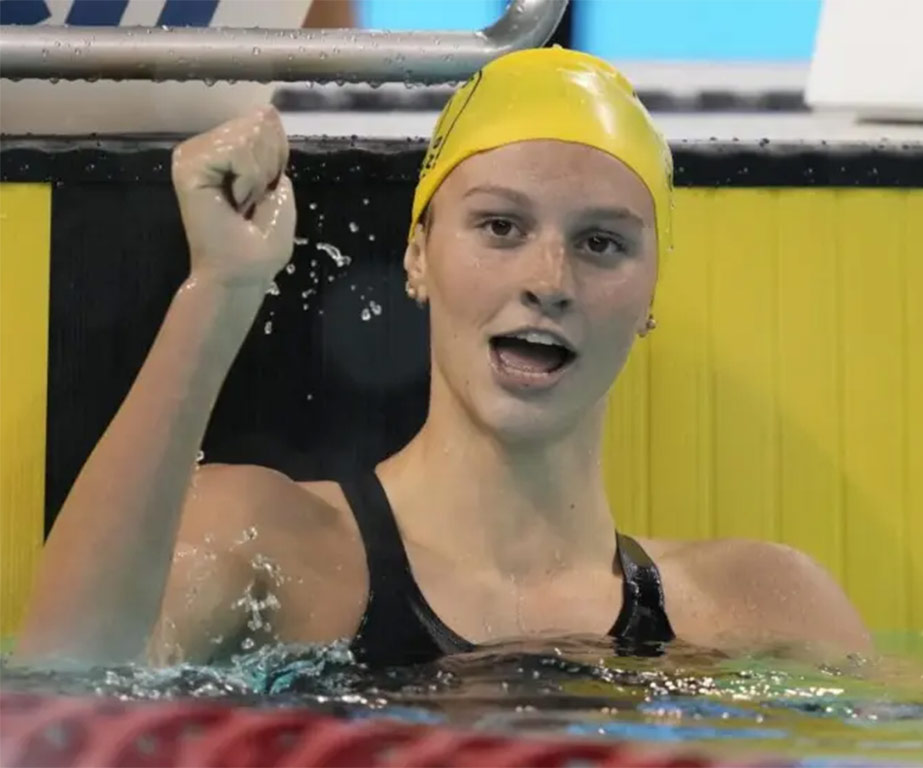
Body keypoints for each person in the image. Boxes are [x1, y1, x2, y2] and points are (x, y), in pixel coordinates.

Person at [12, 48, 871, 669]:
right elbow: (68, 681)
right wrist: (222, 287)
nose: (549, 281)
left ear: (650, 297)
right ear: (418, 256)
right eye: (501, 226)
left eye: (602, 243)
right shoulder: (266, 548)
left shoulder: (760, 608)